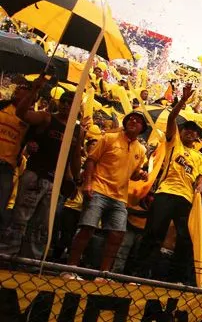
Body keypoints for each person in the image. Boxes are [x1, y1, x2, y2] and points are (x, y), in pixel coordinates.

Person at [129, 85, 202, 284]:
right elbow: (172, 119)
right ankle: (138, 275)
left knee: (184, 240)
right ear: (181, 132)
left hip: (186, 199)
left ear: (198, 137)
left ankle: (175, 281)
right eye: (187, 129)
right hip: (165, 193)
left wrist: (200, 186)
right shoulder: (174, 143)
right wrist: (182, 101)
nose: (190, 132)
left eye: (194, 131)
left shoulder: (200, 157)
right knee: (154, 233)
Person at [1, 77, 80, 259]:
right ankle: (7, 254)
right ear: (59, 103)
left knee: (41, 225)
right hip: (35, 174)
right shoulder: (46, 117)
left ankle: (29, 261)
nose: (66, 106)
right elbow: (22, 114)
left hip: (55, 181)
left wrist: (76, 179)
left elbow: (74, 157)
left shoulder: (78, 131)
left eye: (71, 103)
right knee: (21, 217)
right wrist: (34, 91)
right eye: (64, 102)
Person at [65, 111, 147, 276]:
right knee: (87, 228)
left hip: (119, 197)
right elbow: (91, 160)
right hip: (99, 189)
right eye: (131, 118)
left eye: (138, 121)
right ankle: (70, 268)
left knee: (117, 235)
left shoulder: (141, 150)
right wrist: (88, 183)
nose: (133, 121)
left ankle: (104, 274)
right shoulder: (109, 138)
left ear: (142, 128)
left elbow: (133, 174)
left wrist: (141, 175)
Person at [0, 78, 30, 226]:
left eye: (23, 88)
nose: (17, 89)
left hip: (7, 168)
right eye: (17, 88)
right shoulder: (2, 106)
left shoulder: (29, 120)